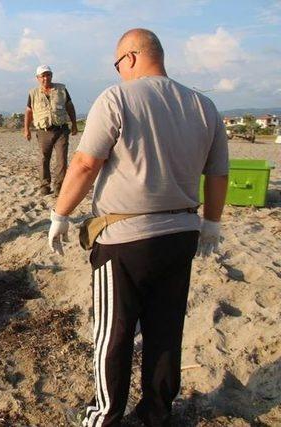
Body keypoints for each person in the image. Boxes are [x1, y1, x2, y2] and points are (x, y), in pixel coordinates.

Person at [48, 29, 228, 426]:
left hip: (125, 240)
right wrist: (211, 223)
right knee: (166, 329)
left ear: (130, 57)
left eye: (117, 64)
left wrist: (60, 214)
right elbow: (217, 175)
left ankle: (106, 415)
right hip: (182, 235)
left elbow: (83, 164)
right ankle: (156, 413)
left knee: (113, 332)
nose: (118, 72)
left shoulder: (117, 98)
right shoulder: (204, 106)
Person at [24, 65, 79, 196]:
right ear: (37, 78)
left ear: (52, 75)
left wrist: (74, 124)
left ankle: (59, 187)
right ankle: (45, 186)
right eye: (42, 76)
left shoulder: (62, 89)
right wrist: (26, 129)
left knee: (61, 160)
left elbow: (70, 107)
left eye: (48, 75)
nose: (45, 78)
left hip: (61, 130)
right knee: (43, 159)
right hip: (43, 131)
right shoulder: (33, 93)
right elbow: (29, 112)